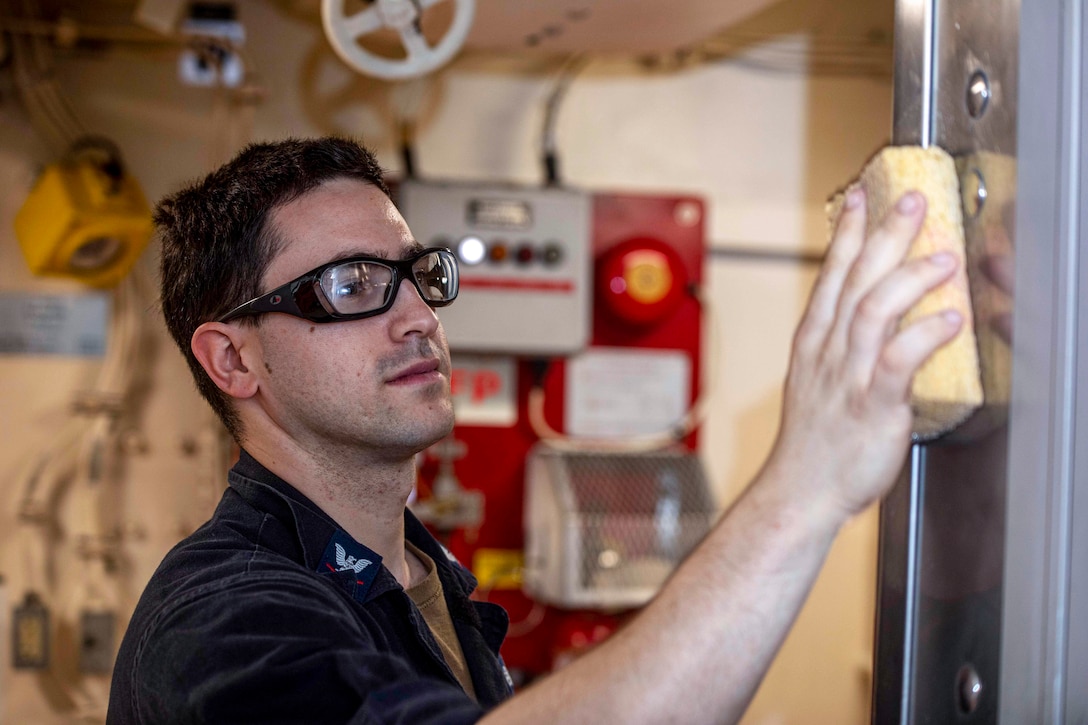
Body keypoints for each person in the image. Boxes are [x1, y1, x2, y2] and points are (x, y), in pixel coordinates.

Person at [107, 136, 964, 724]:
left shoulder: (425, 574)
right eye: (354, 283)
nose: (418, 318)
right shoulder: (217, 627)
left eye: (416, 275)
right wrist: (805, 483)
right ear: (232, 361)